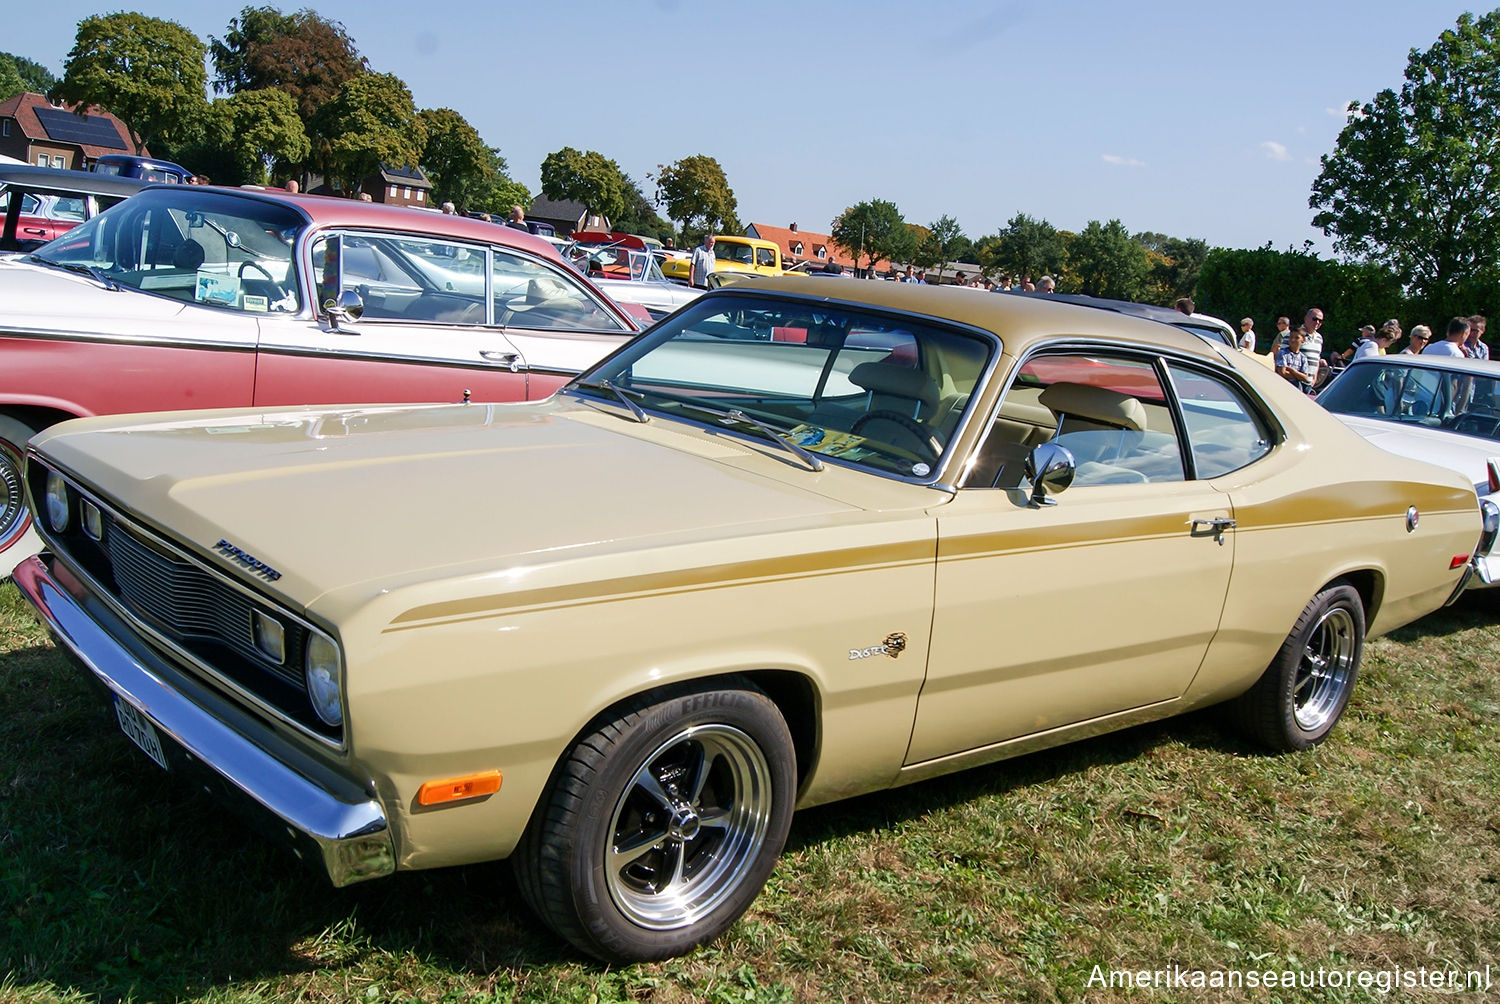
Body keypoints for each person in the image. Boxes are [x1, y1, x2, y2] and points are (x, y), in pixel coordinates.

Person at [1276, 327, 1316, 392]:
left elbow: (1305, 378)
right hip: (1283, 387)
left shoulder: (1303, 358)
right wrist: (1299, 376)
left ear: (1303, 340)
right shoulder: (1283, 353)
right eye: (1291, 337)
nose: (1293, 340)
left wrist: (1293, 371)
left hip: (1297, 389)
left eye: (1297, 338)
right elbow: (1282, 373)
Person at [1300, 308, 1325, 372]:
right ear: (1306, 318)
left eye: (1320, 321)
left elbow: (1316, 360)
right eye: (1314, 319)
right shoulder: (1294, 335)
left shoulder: (1319, 338)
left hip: (1310, 381)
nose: (1317, 322)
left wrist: (1314, 379)